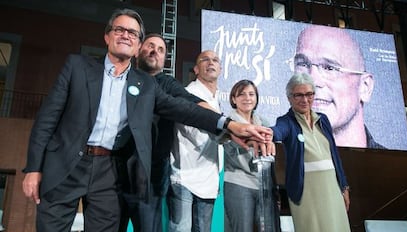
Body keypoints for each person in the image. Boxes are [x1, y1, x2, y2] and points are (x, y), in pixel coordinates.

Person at [21, 8, 273, 232]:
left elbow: (185, 108)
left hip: (109, 174)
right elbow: (47, 119)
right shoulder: (77, 66)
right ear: (107, 36)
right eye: (119, 29)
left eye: (132, 33)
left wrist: (229, 125)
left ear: (136, 43)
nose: (125, 35)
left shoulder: (146, 85)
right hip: (65, 166)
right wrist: (33, 168)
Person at [119, 33, 210, 232]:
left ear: (164, 60)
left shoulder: (167, 84)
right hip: (115, 173)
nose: (155, 51)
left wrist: (223, 121)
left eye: (161, 50)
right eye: (151, 46)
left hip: (150, 180)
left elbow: (190, 101)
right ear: (138, 51)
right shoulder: (122, 79)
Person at [271, 73, 351, 232]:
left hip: (332, 187)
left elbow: (334, 155)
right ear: (289, 98)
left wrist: (344, 186)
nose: (305, 99)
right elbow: (277, 132)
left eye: (309, 94)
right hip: (305, 190)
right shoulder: (286, 121)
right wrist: (266, 133)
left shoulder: (323, 119)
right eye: (298, 95)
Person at [292, 25, 385, 149]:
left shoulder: (394, 166)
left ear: (365, 87)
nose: (311, 82)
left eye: (329, 68)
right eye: (302, 64)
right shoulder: (279, 159)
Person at [168, 50, 224, 232]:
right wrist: (228, 134)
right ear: (196, 69)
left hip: (208, 176)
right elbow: (192, 130)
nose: (211, 63)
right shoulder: (189, 93)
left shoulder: (217, 98)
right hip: (185, 175)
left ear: (220, 68)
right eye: (205, 60)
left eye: (215, 60)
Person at [223, 79, 280, 232]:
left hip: (263, 185)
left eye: (251, 94)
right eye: (241, 94)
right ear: (233, 99)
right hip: (238, 183)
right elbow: (228, 149)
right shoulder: (228, 124)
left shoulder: (264, 122)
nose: (247, 98)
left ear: (256, 98)